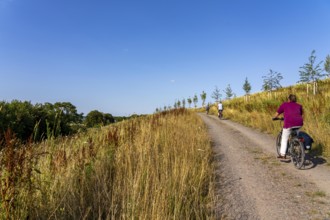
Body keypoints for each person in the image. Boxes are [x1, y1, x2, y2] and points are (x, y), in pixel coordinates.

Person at [273, 94, 303, 159]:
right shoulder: (299, 105)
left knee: (284, 139)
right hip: (299, 123)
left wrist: (274, 117)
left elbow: (278, 112)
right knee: (296, 136)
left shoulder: (284, 104)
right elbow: (300, 114)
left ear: (288, 99)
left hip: (289, 124)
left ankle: (283, 154)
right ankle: (299, 149)